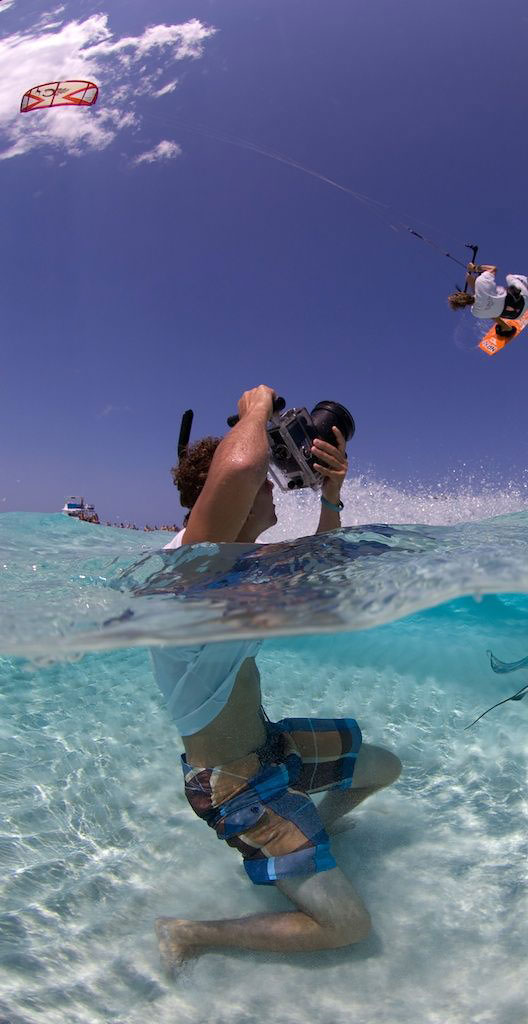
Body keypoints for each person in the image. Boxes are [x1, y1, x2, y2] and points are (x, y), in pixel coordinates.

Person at [152, 385, 402, 972]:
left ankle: (312, 833)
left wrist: (333, 496)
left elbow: (323, 560)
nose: (271, 487)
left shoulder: (244, 568)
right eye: (265, 480)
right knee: (346, 926)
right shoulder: (189, 567)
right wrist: (255, 409)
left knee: (385, 767)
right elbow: (239, 467)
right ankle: (189, 932)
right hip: (232, 787)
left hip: (269, 749)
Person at [448, 262, 528, 339]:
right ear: (464, 293)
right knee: (510, 277)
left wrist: (470, 279)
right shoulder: (481, 282)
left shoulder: (475, 312)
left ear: (463, 305)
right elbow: (493, 268)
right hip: (524, 301)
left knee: (491, 312)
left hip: (515, 316)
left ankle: (507, 328)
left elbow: (479, 296)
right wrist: (475, 268)